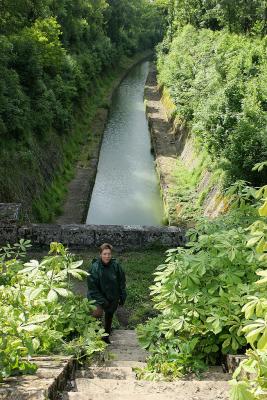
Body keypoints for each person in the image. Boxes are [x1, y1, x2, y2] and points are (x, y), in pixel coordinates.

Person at [87, 243, 127, 344]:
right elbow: (93, 288)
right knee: (97, 314)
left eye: (109, 254)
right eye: (105, 254)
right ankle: (95, 335)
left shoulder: (116, 266)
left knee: (109, 314)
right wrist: (102, 300)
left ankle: (106, 336)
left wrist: (122, 296)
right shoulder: (95, 268)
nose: (107, 256)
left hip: (112, 295)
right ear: (100, 254)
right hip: (97, 296)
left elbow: (121, 282)